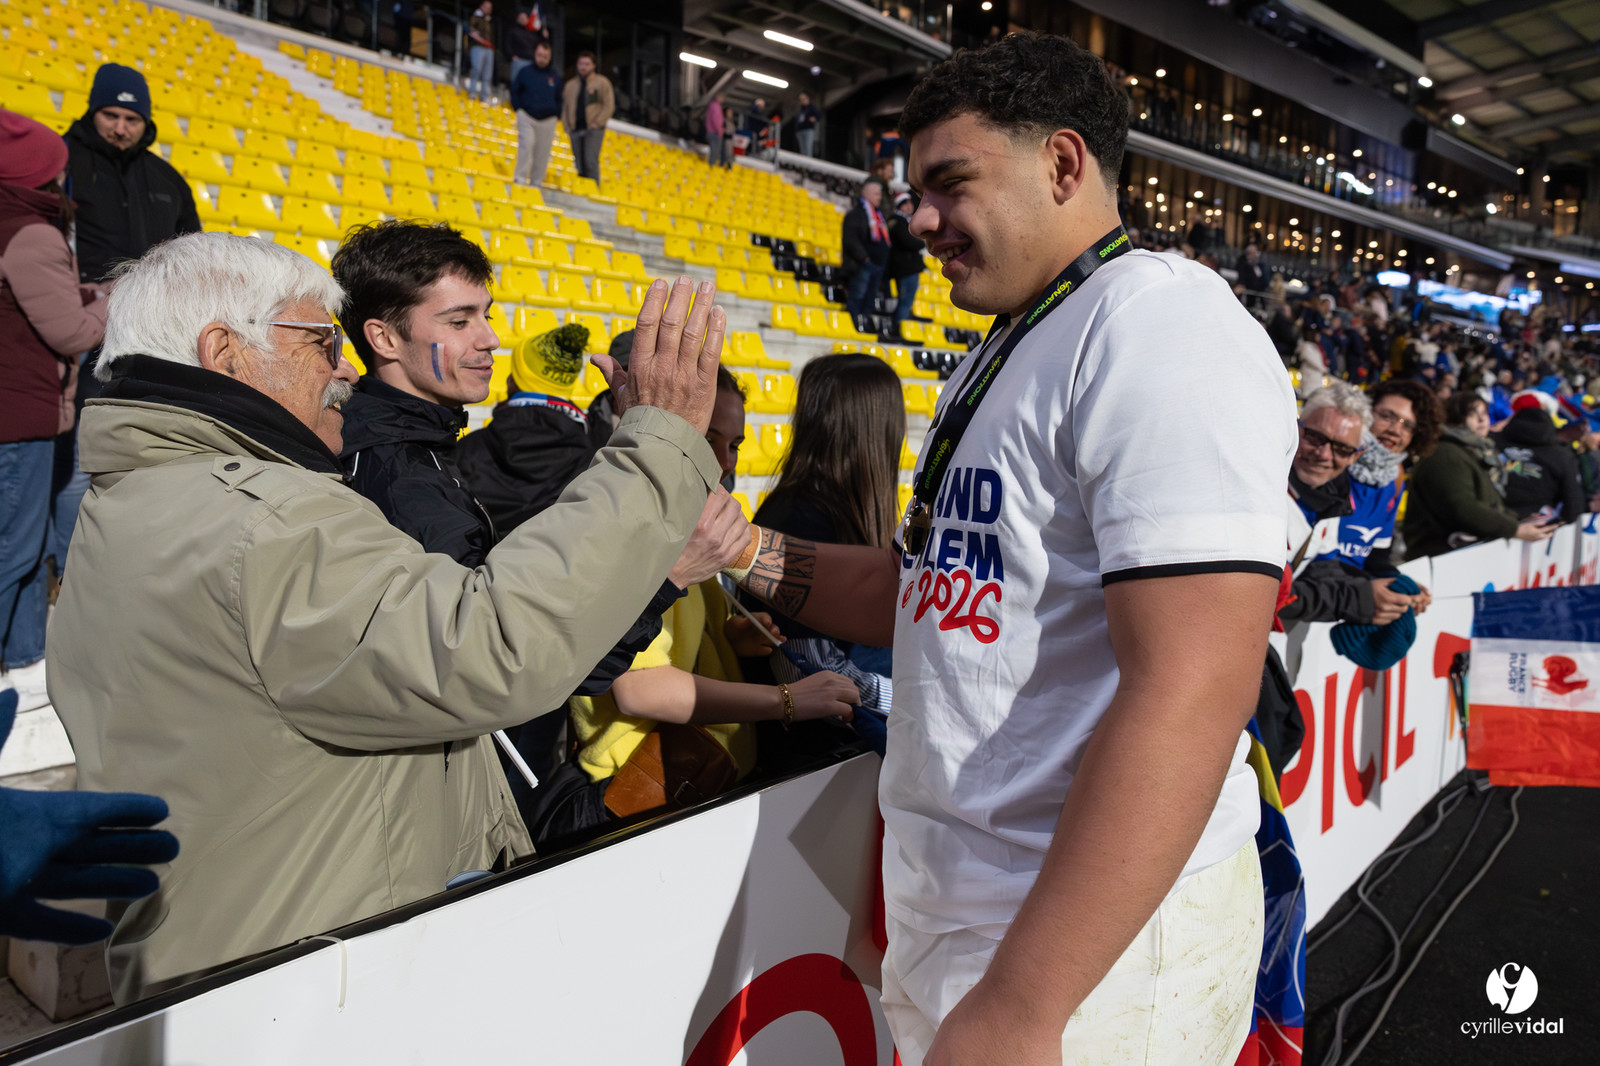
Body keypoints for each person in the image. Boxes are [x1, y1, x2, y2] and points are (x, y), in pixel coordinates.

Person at [724, 33, 1293, 1064]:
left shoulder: (1160, 323)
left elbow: (1194, 687)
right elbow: (930, 596)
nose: (919, 219)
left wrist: (1027, 1002)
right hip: (973, 912)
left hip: (1083, 949)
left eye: (950, 183)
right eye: (915, 192)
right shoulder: (1012, 339)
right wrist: (738, 547)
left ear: (1062, 163)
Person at [50, 232, 733, 1001]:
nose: (342, 368)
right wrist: (659, 447)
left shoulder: (134, 500)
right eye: (319, 342)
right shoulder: (268, 522)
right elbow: (488, 648)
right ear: (225, 352)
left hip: (242, 966)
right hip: (317, 990)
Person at [543, 368, 858, 846]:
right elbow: (639, 690)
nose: (724, 462)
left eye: (735, 445)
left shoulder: (684, 518)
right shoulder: (636, 527)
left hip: (690, 785)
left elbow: (673, 637)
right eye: (709, 439)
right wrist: (788, 701)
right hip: (636, 797)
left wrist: (730, 639)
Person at [0, 109, 108, 710]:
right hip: (21, 416)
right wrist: (114, 303)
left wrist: (92, 293)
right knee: (12, 550)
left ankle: (23, 658)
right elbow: (71, 332)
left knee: (28, 543)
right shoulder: (33, 234)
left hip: (18, 414)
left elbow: (39, 302)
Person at [750, 354, 899, 718]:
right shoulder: (801, 518)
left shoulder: (834, 510)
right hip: (827, 744)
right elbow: (805, 669)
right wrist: (910, 699)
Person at [1282, 384, 1424, 628]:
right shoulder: (1264, 488)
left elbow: (1326, 569)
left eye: (1342, 449)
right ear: (1296, 428)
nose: (1324, 454)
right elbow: (1269, 592)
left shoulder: (1334, 495)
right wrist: (1359, 598)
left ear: (1355, 454)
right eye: (1315, 438)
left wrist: (1393, 588)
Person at [1402, 390, 1555, 558]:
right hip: (1440, 555)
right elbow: (1462, 508)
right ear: (1454, 418)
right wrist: (1514, 529)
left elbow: (1487, 502)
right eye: (1472, 414)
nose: (1482, 420)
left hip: (1461, 553)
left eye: (1484, 414)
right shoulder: (1446, 453)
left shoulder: (1477, 450)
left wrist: (1518, 519)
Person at [1322, 379, 1440, 572]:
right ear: (1365, 412)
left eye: (1408, 426)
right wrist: (1365, 586)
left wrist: (1387, 578)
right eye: (1387, 416)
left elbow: (1377, 555)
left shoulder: (1395, 477)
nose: (1395, 430)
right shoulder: (1326, 462)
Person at [1492, 392, 1584, 522]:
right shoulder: (1562, 456)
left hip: (1488, 518)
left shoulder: (1491, 442)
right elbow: (1573, 507)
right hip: (1531, 523)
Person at [841, 179, 890, 330]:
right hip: (862, 265)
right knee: (857, 296)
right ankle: (851, 326)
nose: (879, 197)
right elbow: (851, 240)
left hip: (877, 265)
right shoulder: (856, 215)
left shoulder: (879, 215)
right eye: (876, 194)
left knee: (870, 299)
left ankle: (863, 325)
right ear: (866, 194)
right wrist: (865, 259)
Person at [511, 39, 561, 187]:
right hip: (527, 116)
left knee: (542, 152)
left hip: (547, 119)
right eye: (540, 55)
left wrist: (557, 114)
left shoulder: (555, 76)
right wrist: (518, 109)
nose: (542, 58)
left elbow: (560, 98)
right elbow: (515, 91)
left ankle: (536, 182)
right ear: (535, 54)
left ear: (549, 57)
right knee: (526, 145)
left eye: (545, 56)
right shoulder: (525, 72)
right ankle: (520, 178)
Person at [562, 52, 615, 185]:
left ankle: (593, 190)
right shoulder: (570, 85)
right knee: (579, 165)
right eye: (581, 64)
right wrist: (567, 126)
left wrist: (598, 122)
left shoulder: (602, 83)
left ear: (594, 66)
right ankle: (582, 189)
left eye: (587, 64)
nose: (583, 67)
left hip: (593, 130)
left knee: (590, 162)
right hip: (575, 129)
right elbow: (565, 107)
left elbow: (609, 105)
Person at [886, 191, 926, 340]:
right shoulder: (898, 222)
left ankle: (899, 328)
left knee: (905, 300)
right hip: (905, 269)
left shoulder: (902, 221)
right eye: (906, 204)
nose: (910, 206)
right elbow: (908, 242)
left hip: (906, 268)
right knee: (905, 300)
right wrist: (921, 242)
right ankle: (899, 330)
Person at [467, 1, 495, 102]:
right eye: (486, 7)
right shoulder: (475, 18)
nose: (487, 9)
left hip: (489, 49)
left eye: (489, 7)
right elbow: (471, 31)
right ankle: (472, 93)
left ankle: (485, 96)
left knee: (487, 73)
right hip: (478, 47)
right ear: (481, 6)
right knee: (476, 70)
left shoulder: (490, 21)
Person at [507, 9, 541, 85]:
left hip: (531, 62)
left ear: (528, 19)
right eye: (521, 17)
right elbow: (508, 45)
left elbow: (538, 46)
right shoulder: (513, 31)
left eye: (524, 17)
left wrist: (544, 37)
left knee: (530, 84)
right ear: (517, 19)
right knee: (516, 83)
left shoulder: (532, 33)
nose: (522, 19)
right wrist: (511, 56)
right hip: (519, 60)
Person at [705, 93, 728, 169]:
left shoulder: (712, 106)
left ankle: (712, 166)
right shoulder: (716, 106)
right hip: (714, 132)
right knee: (715, 151)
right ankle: (711, 167)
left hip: (711, 131)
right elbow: (716, 120)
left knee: (714, 151)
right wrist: (720, 130)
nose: (723, 100)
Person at [795, 91, 821, 157]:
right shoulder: (801, 108)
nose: (802, 101)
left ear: (807, 98)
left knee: (808, 148)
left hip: (808, 129)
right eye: (801, 100)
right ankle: (803, 163)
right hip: (800, 130)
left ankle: (808, 163)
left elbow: (818, 115)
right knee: (802, 149)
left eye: (803, 99)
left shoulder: (812, 107)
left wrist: (814, 118)